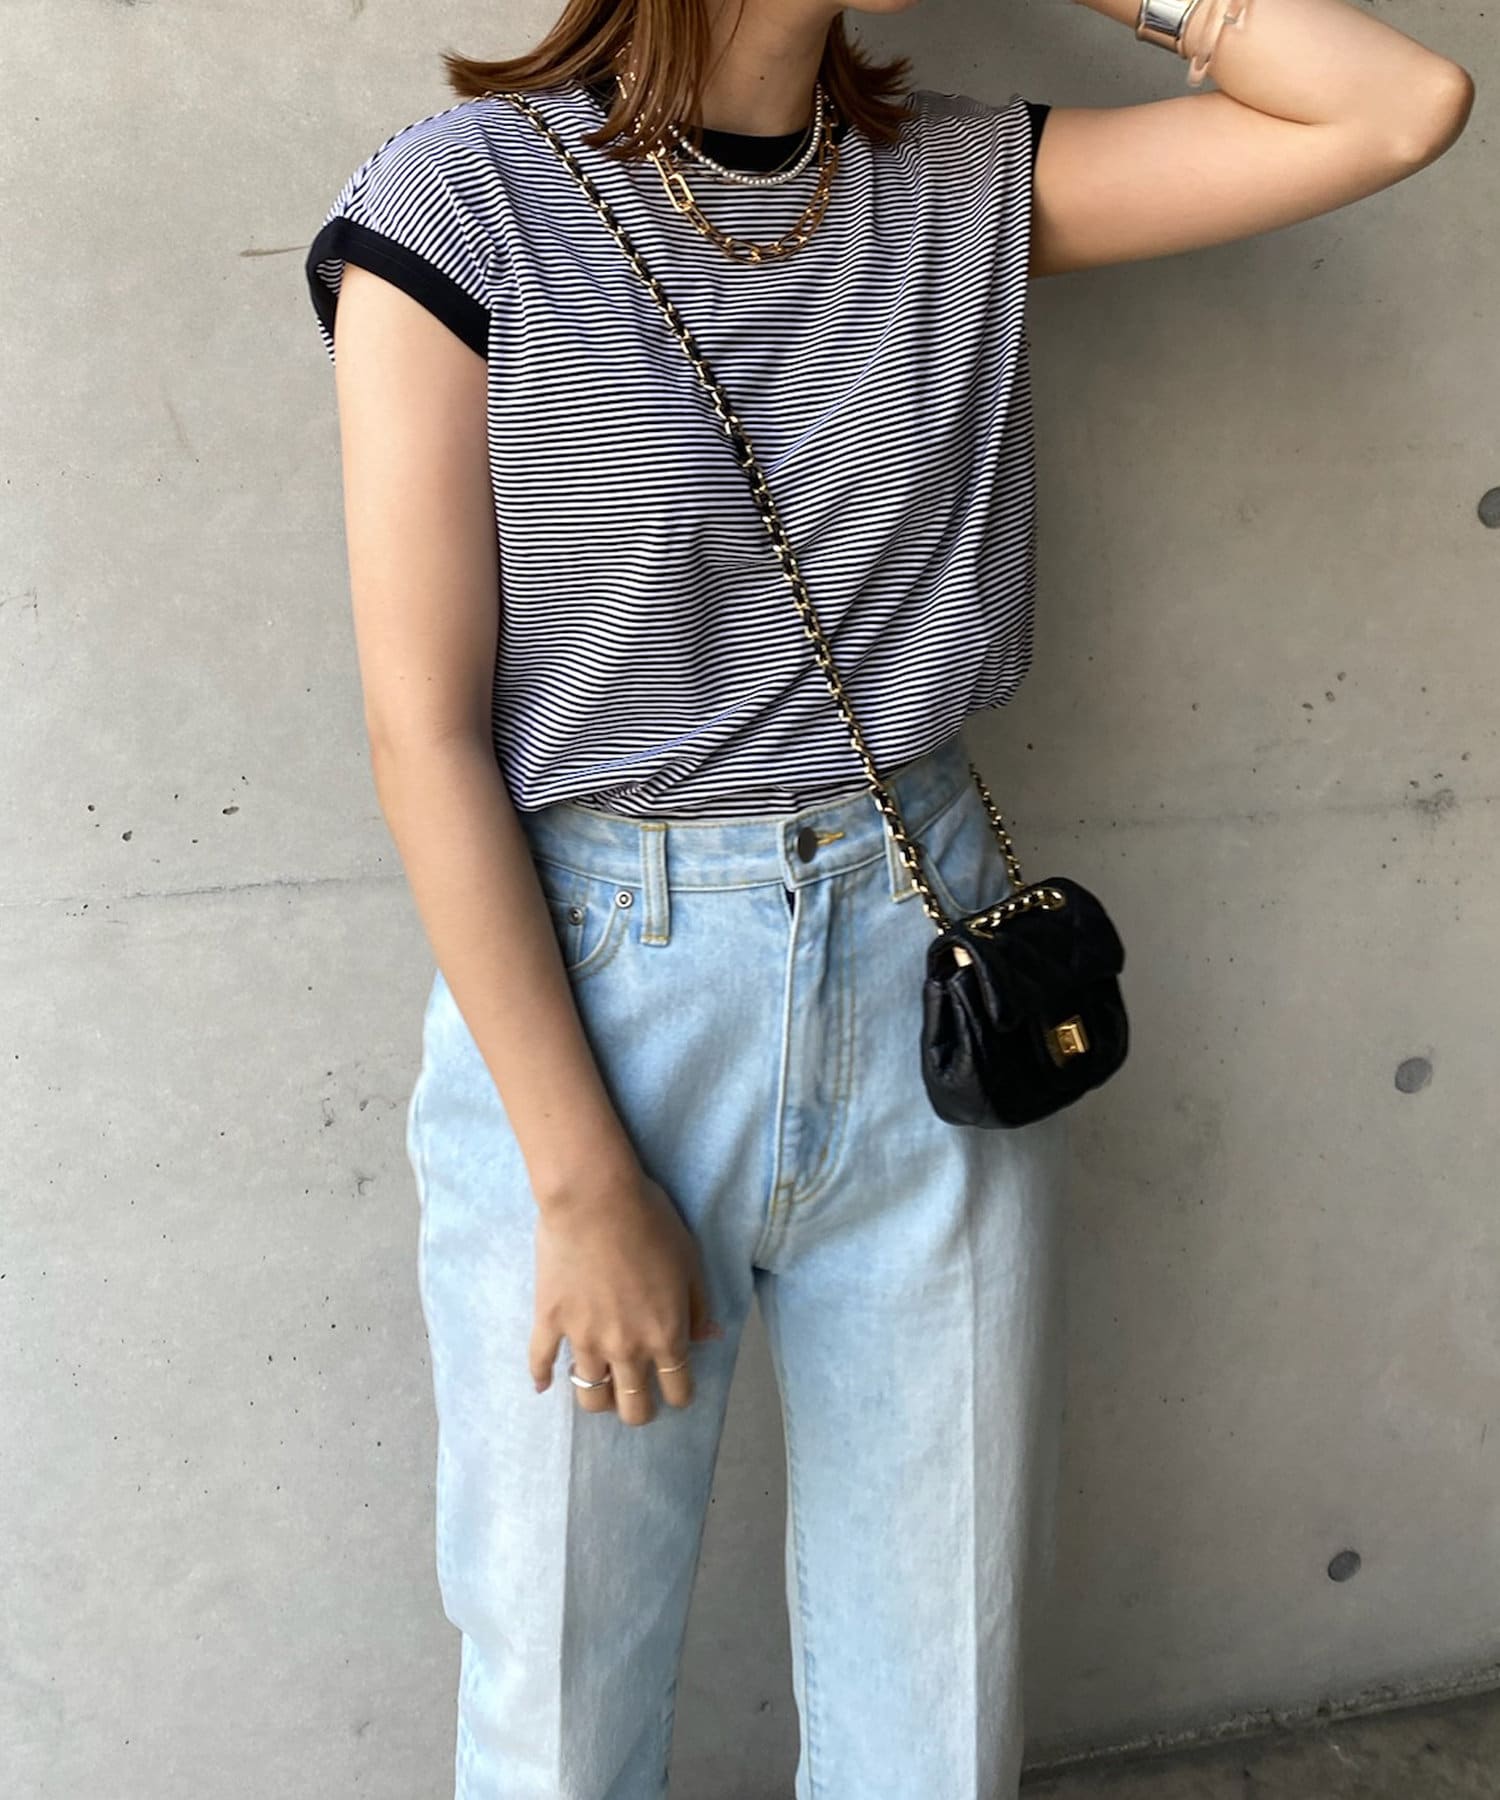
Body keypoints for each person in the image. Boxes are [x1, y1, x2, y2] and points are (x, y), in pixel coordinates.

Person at [303, 0, 1471, 1792]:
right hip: (609, 981)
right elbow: (424, 736)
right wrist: (578, 1176)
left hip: (930, 952)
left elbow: (1398, 106)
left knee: (940, 1682)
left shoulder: (955, 186)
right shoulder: (463, 203)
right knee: (557, 1686)